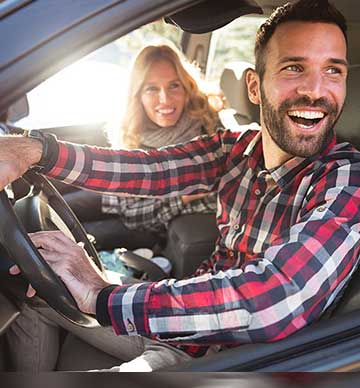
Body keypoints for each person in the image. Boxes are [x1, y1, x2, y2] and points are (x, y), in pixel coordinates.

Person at [1, 0, 360, 372]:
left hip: (233, 355)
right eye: (294, 68)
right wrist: (34, 150)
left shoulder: (346, 181)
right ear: (254, 86)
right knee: (35, 291)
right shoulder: (238, 149)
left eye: (333, 71)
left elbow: (274, 299)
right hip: (181, 313)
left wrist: (101, 295)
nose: (316, 91)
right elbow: (143, 169)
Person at [62, 44, 219, 251]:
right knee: (61, 209)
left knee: (76, 237)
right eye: (152, 88)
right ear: (138, 95)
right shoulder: (135, 127)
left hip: (152, 226)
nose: (164, 99)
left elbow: (135, 215)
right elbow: (126, 196)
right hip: (123, 200)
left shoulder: (209, 133)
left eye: (174, 86)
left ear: (187, 88)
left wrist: (183, 198)